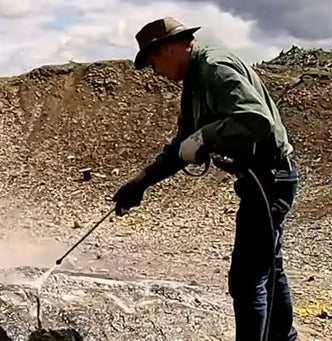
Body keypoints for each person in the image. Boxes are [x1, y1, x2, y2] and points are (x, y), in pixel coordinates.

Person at [113, 17, 301, 341]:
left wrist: (206, 137)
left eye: (153, 61)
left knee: (246, 279)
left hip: (270, 179)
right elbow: (181, 146)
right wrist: (141, 183)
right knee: (269, 267)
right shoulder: (195, 80)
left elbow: (257, 121)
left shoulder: (214, 67)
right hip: (263, 179)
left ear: (170, 47)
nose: (155, 72)